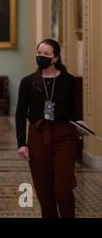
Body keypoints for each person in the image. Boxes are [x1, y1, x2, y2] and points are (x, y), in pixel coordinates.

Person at [16, 38, 81, 218]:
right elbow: (20, 114)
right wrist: (22, 144)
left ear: (55, 58)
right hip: (38, 137)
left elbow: (74, 111)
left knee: (63, 189)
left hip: (64, 136)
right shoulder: (28, 82)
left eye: (46, 54)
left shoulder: (68, 80)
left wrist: (80, 123)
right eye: (39, 53)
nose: (41, 57)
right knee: (45, 193)